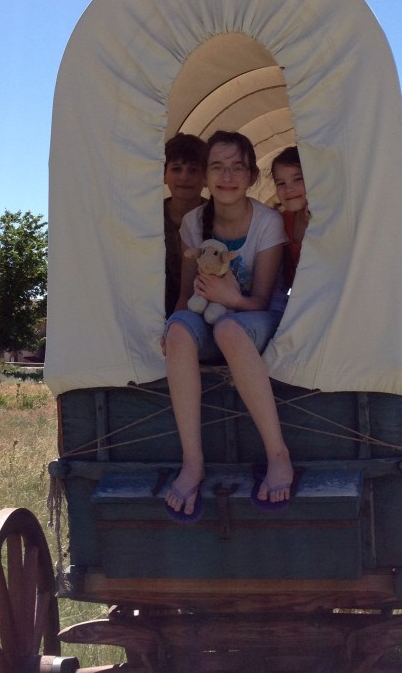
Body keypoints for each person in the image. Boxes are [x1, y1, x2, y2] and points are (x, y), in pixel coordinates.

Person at [163, 130, 294, 521]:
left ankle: (278, 455)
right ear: (206, 176)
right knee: (179, 330)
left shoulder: (267, 222)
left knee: (228, 329)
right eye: (217, 167)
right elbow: (187, 296)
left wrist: (229, 297)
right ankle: (193, 462)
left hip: (258, 320)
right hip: (212, 315)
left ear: (252, 176)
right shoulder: (193, 222)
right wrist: (171, 327)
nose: (227, 176)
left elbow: (261, 299)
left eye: (238, 167)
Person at [163, 133, 207, 317]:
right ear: (164, 175)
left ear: (206, 178)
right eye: (176, 169)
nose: (184, 177)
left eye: (193, 170)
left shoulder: (216, 217)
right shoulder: (148, 218)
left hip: (203, 311)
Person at [270, 146, 309, 291]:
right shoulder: (281, 221)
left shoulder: (328, 217)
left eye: (297, 179)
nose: (288, 189)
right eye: (281, 183)